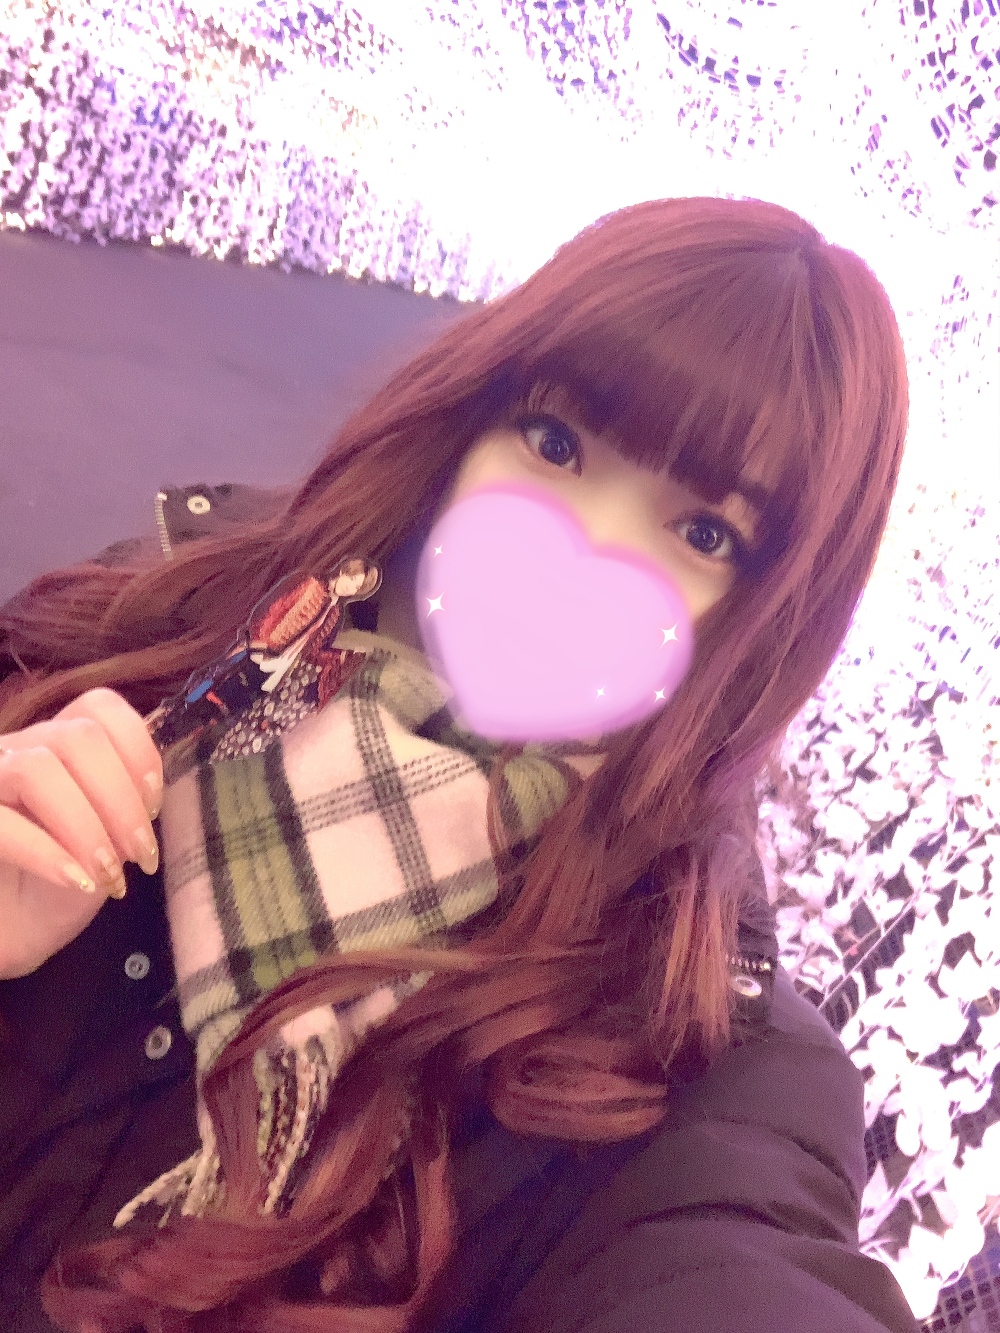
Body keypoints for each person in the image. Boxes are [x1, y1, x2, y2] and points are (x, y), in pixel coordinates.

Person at [0, 197, 919, 1333]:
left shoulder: (680, 1051)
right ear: (467, 424)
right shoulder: (147, 645)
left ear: (761, 625)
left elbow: (735, 1264)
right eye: (556, 443)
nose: (584, 551)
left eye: (703, 534)